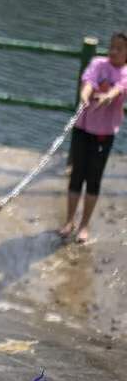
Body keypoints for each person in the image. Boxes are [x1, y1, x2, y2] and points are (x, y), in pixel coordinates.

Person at [58, 31, 127, 245]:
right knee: (76, 176)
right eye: (112, 46)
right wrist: (85, 94)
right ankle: (69, 220)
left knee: (93, 179)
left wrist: (109, 97)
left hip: (103, 134)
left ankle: (84, 224)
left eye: (119, 48)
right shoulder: (98, 63)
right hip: (83, 129)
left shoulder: (125, 72)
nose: (113, 51)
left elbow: (120, 88)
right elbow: (88, 80)